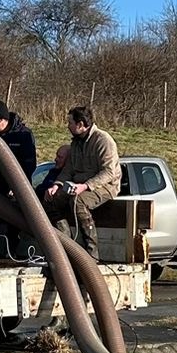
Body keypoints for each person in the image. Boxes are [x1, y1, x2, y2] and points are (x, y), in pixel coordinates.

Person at [43, 105, 120, 258]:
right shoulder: (75, 144)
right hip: (78, 185)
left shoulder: (103, 141)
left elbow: (109, 172)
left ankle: (92, 253)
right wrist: (56, 185)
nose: (68, 126)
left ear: (80, 124)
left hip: (104, 186)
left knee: (78, 202)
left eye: (70, 122)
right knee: (51, 201)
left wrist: (86, 186)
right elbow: (68, 170)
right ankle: (67, 245)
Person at [0, 99, 37, 258]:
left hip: (14, 185)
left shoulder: (23, 135)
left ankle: (12, 251)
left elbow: (29, 165)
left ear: (0, 120)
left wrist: (18, 187)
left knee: (11, 218)